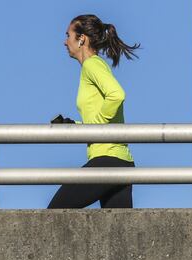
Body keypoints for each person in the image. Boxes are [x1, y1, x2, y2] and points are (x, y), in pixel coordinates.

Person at [48, 14, 140, 209]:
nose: (65, 42)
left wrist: (97, 126)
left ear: (81, 38)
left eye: (68, 35)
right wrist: (74, 126)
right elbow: (100, 117)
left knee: (52, 216)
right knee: (118, 228)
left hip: (107, 160)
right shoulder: (94, 65)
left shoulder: (92, 64)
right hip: (120, 161)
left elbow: (117, 95)